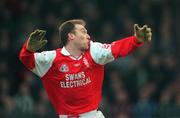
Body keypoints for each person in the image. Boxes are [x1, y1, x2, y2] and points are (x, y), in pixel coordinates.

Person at [19, 19, 152, 118]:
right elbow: (27, 59)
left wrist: (135, 40)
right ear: (71, 36)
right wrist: (28, 49)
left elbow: (116, 49)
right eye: (83, 32)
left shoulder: (94, 51)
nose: (88, 36)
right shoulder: (51, 59)